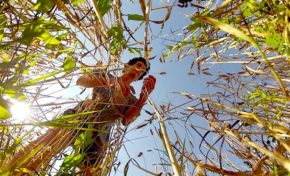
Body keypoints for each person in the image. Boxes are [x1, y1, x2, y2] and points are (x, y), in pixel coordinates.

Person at [2, 57, 156, 175]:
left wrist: (143, 99)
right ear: (126, 66)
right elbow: (81, 81)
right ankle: (12, 171)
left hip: (100, 135)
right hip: (79, 115)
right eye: (138, 65)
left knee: (89, 171)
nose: (139, 69)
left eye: (142, 70)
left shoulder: (132, 99)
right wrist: (108, 82)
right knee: (43, 147)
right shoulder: (106, 73)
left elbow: (126, 120)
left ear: (140, 77)